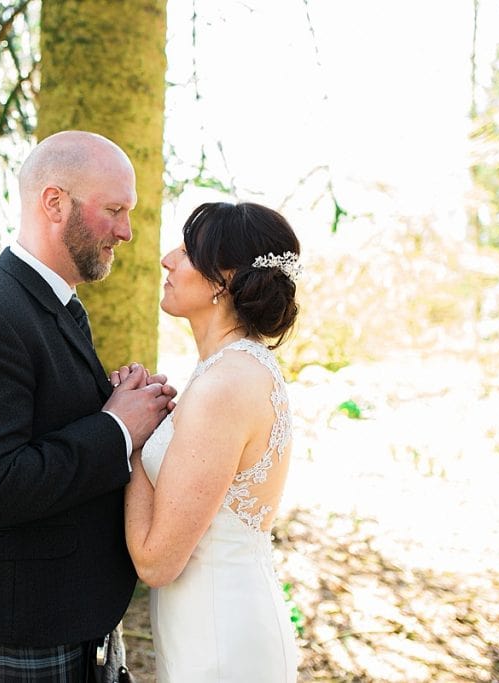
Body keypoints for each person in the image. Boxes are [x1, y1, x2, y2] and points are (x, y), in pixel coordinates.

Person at [0, 130, 176, 682]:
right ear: (54, 203)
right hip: (20, 646)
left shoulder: (48, 305)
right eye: (114, 210)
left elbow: (40, 422)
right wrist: (116, 429)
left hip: (63, 630)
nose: (127, 232)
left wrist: (110, 401)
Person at [117, 201, 302, 682]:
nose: (167, 260)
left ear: (225, 279)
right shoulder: (237, 368)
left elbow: (155, 562)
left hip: (222, 642)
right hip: (215, 622)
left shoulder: (224, 386)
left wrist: (134, 440)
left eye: (187, 250)